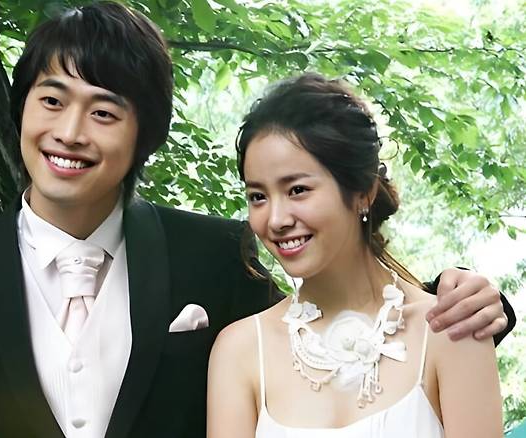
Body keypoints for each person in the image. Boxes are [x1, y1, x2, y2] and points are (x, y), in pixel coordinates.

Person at [0, 4, 512, 438]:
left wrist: (474, 305)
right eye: (51, 101)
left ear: (145, 135)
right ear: (21, 108)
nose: (70, 132)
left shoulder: (214, 255)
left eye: (104, 112)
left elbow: (333, 325)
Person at [207, 73, 505, 438]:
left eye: (297, 190)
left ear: (363, 191)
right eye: (258, 197)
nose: (276, 219)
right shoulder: (239, 352)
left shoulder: (451, 330)